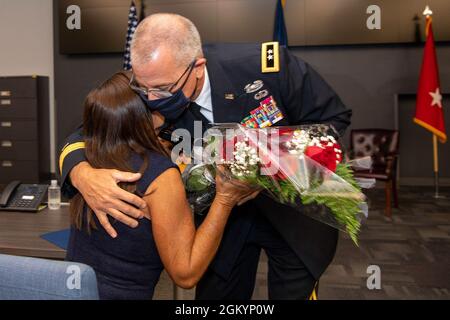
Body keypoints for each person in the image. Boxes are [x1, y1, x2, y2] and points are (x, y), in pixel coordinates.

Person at [60, 13, 352, 300]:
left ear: (197, 67)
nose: (150, 100)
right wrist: (80, 173)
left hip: (293, 217)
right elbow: (90, 131)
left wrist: (270, 168)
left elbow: (333, 120)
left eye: (162, 90)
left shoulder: (265, 67)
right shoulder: (152, 78)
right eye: (143, 88)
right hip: (220, 223)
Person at [65, 72, 259, 300]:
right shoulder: (160, 175)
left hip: (71, 291)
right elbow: (185, 274)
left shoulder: (91, 155)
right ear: (144, 114)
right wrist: (225, 200)